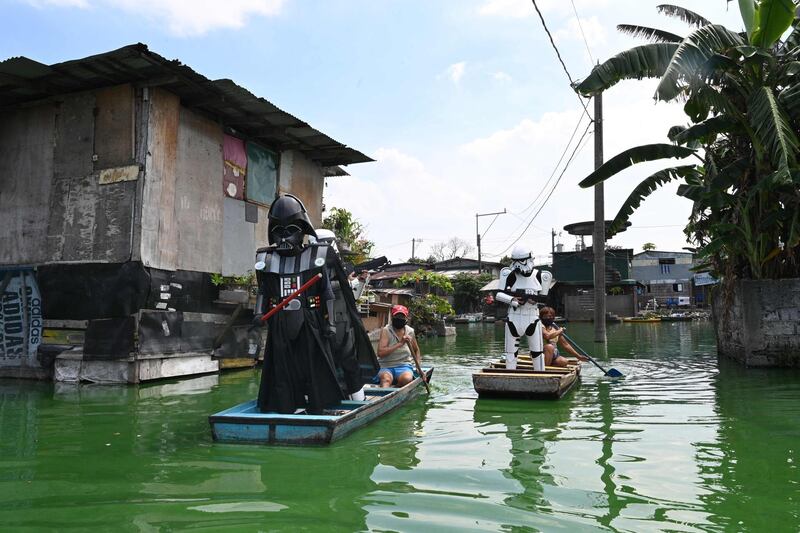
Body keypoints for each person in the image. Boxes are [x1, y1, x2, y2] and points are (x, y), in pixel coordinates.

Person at [494, 245, 552, 371]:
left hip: (532, 317)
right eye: (514, 261)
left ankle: (540, 378)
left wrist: (534, 299)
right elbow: (498, 294)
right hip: (514, 317)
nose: (517, 265)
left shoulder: (541, 276)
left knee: (537, 352)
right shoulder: (509, 274)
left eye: (520, 261)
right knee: (510, 353)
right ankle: (510, 376)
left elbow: (545, 299)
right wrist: (512, 299)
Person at [376, 305, 422, 387]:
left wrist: (418, 367)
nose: (399, 318)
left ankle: (396, 388)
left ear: (406, 318)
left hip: (404, 365)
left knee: (406, 379)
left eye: (402, 316)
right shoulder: (386, 330)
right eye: (397, 316)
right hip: (386, 366)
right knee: (386, 380)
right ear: (392, 317)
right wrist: (400, 344)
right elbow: (380, 353)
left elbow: (416, 350)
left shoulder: (410, 331)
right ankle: (384, 395)